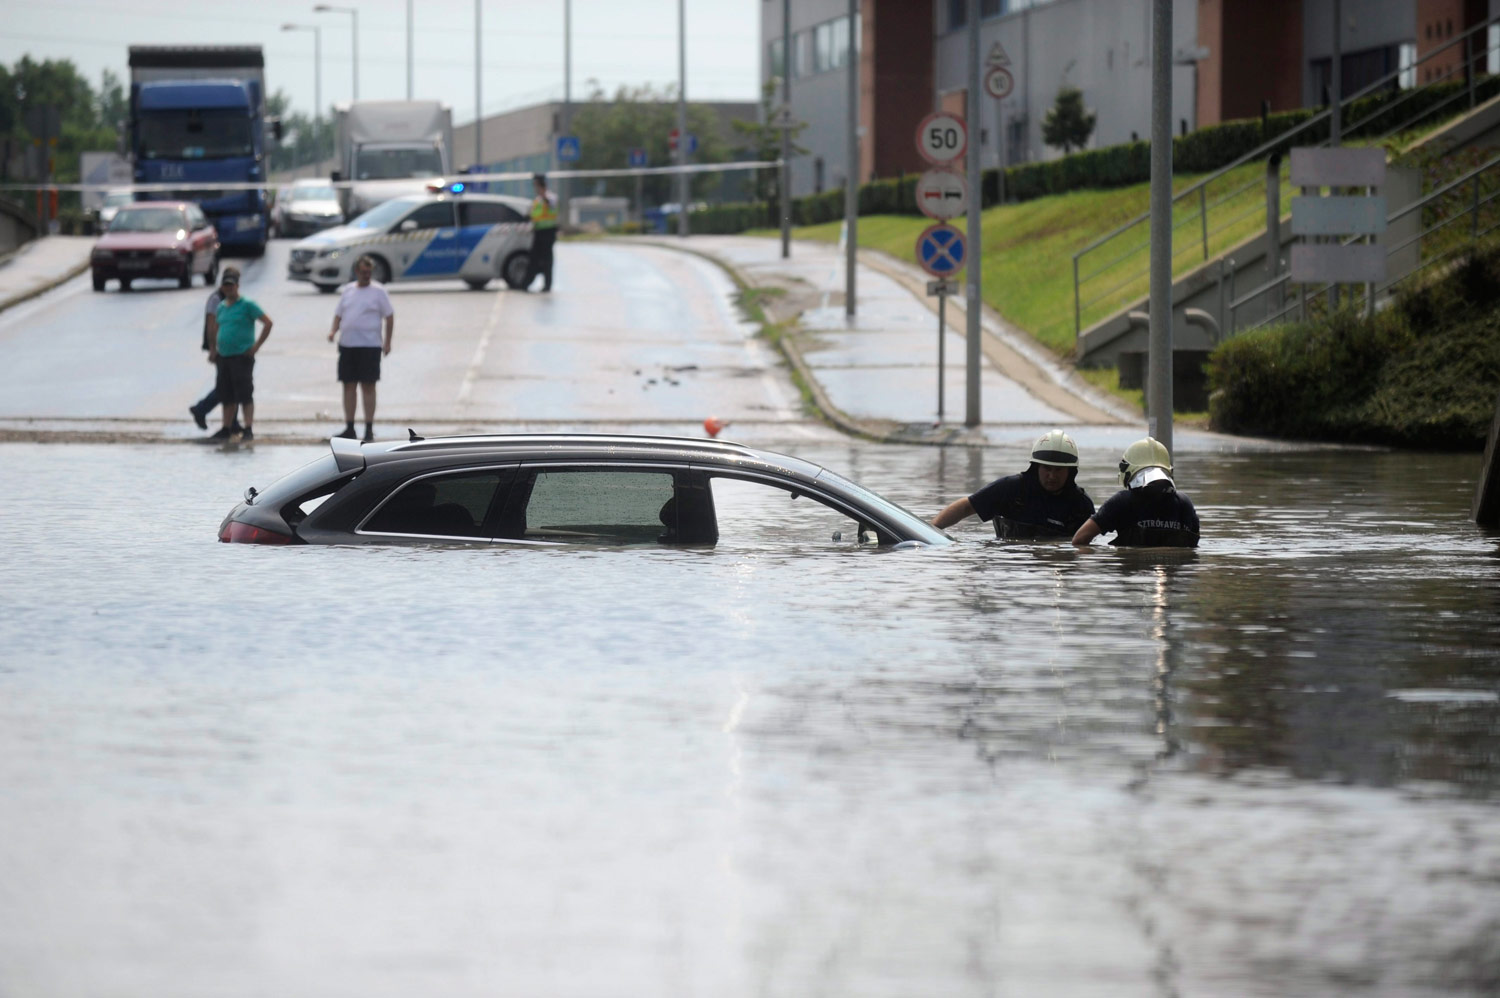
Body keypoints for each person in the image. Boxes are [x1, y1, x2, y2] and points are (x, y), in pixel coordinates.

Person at [931, 429, 1095, 539]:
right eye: (1047, 468)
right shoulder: (1011, 489)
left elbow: (1084, 548)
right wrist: (932, 530)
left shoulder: (1081, 506)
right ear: (1036, 467)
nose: (1051, 476)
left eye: (1058, 470)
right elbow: (967, 506)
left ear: (1070, 472)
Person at [1072, 437, 1200, 548]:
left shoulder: (1121, 502)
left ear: (1127, 471)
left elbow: (1079, 539)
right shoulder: (1184, 503)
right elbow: (1193, 548)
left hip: (1132, 573)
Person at [328, 255, 395, 442]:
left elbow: (389, 316)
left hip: (370, 345)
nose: (366, 275)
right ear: (356, 271)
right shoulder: (348, 290)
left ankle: (368, 428)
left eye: (369, 272)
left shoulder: (379, 292)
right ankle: (349, 427)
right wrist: (333, 331)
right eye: (363, 272)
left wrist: (387, 342)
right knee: (348, 386)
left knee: (368, 386)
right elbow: (338, 314)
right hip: (348, 345)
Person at [208, 271, 272, 442]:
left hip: (242, 356)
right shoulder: (221, 306)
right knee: (226, 394)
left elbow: (268, 323)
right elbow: (216, 328)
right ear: (222, 287)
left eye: (232, 285)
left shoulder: (247, 305)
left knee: (245, 394)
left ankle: (248, 428)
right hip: (224, 356)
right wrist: (213, 349)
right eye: (226, 285)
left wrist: (256, 346)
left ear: (237, 286)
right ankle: (226, 427)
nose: (229, 288)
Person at [188, 266, 241, 434]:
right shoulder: (216, 299)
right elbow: (212, 325)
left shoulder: (229, 297)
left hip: (229, 349)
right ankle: (202, 409)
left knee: (230, 385)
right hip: (220, 349)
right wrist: (213, 348)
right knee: (225, 386)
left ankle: (232, 422)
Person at [522, 172, 558, 292]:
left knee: (547, 260)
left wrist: (543, 193)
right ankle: (525, 283)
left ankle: (547, 285)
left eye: (536, 185)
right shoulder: (537, 200)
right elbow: (534, 215)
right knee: (534, 259)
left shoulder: (550, 197)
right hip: (538, 232)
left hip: (548, 233)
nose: (535, 188)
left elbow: (550, 205)